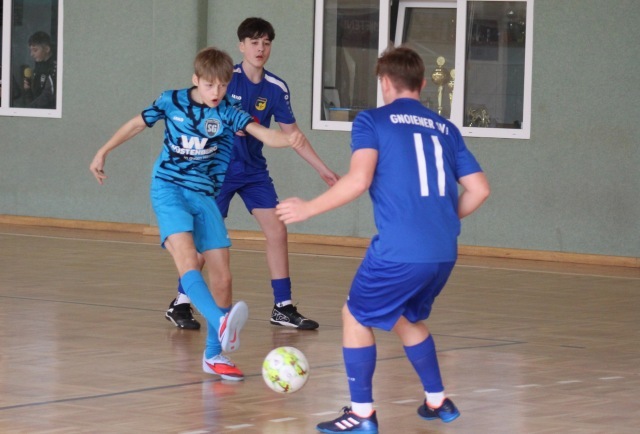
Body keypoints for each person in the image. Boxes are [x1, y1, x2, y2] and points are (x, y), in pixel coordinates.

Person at [276, 46, 491, 433]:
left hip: (399, 250)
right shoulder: (446, 129)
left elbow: (358, 180)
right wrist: (440, 219)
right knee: (405, 317)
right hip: (443, 252)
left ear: (385, 82)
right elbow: (479, 190)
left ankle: (362, 414)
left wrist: (308, 208)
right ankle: (437, 400)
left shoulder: (372, 121)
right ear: (422, 84)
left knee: (355, 315)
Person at [90, 46, 304, 381]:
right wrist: (103, 151)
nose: (216, 92)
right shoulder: (171, 101)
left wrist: (289, 139)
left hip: (205, 195)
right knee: (188, 259)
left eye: (222, 85)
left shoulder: (230, 112)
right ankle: (221, 322)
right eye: (209, 85)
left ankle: (213, 355)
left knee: (223, 277)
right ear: (195, 80)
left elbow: (264, 133)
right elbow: (136, 124)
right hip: (169, 190)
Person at [165, 17, 339, 331]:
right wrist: (224, 126)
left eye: (266, 43)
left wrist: (323, 170)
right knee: (206, 239)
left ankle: (283, 307)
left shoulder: (276, 88)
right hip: (216, 170)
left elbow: (293, 135)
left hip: (253, 171)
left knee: (277, 230)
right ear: (241, 46)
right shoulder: (225, 79)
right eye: (254, 42)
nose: (260, 49)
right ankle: (180, 302)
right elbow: (198, 114)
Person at [22, 31, 57, 108]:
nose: (31, 54)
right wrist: (28, 90)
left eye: (35, 50)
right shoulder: (39, 65)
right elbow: (35, 95)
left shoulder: (55, 67)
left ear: (47, 49)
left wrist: (30, 109)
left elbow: (48, 94)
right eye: (30, 50)